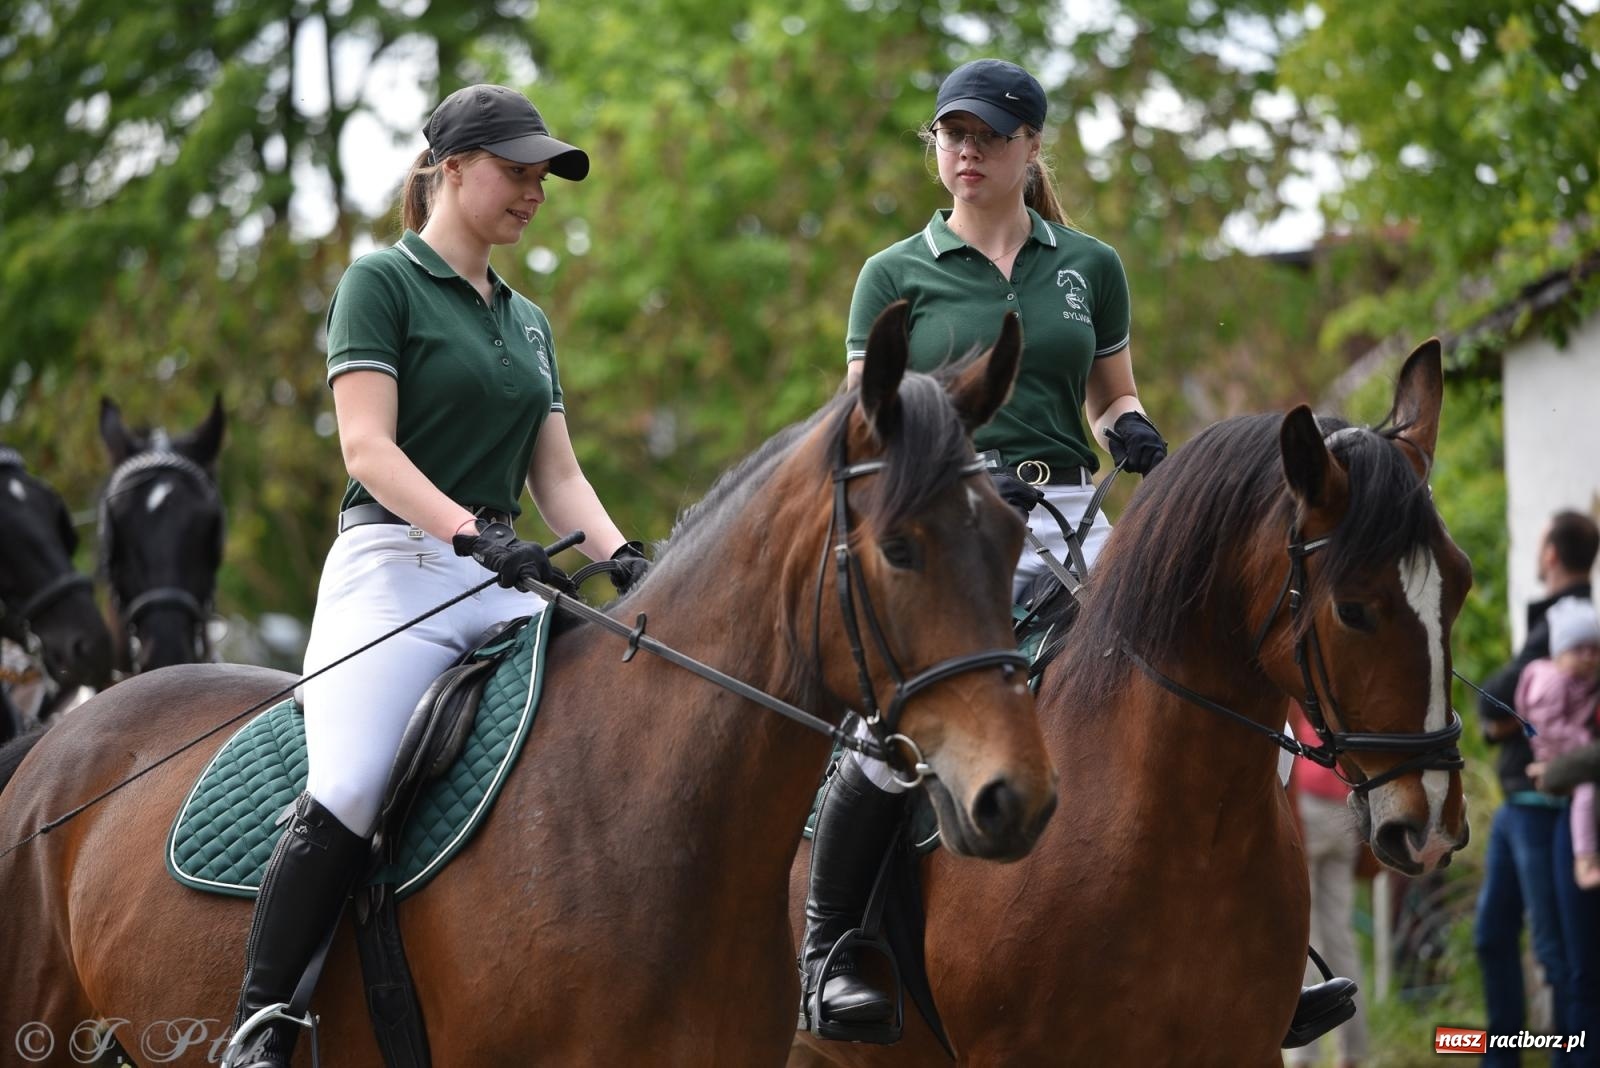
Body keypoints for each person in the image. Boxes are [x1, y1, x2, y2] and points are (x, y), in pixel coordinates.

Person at [221, 84, 649, 1068]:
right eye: (516, 169)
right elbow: (367, 449)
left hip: (503, 583)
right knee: (352, 782)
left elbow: (557, 476)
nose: (534, 189)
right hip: (396, 574)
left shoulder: (529, 321)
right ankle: (260, 1024)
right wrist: (467, 531)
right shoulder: (381, 284)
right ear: (451, 169)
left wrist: (619, 558)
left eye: (543, 174)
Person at [800, 57, 1171, 1034]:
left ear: (1029, 147)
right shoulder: (893, 273)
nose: (966, 151)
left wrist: (1129, 424)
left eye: (989, 136)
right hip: (942, 522)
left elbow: (1109, 392)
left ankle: (1242, 930)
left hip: (1068, 516)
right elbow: (863, 422)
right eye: (952, 134)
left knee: (1172, 685)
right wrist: (951, 473)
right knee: (885, 718)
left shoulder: (1088, 266)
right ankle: (832, 943)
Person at [1474, 510, 1598, 1067]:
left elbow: (1495, 704)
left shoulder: (1572, 622)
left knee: (1559, 957)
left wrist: (1505, 721)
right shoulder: (1560, 620)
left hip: (1545, 808)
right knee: (1493, 937)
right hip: (1518, 805)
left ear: (1550, 553)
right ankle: (1503, 1054)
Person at [1286, 708, 1368, 1068]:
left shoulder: (1300, 688)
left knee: (1306, 934)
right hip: (1343, 809)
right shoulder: (1339, 689)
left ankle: (1305, 1055)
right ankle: (1354, 1052)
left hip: (1309, 807)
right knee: (1340, 933)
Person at [1517, 597, 1600, 890]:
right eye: (1579, 649)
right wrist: (1583, 741)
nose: (1589, 656)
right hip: (1556, 750)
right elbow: (1548, 725)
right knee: (1587, 793)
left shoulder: (1581, 679)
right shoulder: (1552, 681)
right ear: (1560, 652)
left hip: (1568, 753)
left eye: (1594, 650)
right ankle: (1585, 860)